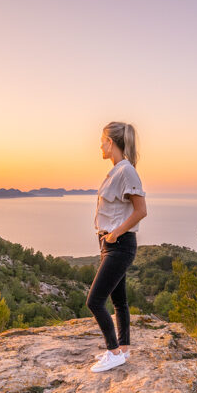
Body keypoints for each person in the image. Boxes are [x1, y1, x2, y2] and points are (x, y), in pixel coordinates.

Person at [88, 121, 147, 373]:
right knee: (119, 300)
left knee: (94, 301)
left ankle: (113, 353)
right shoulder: (116, 171)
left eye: (102, 141)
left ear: (110, 142)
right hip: (111, 244)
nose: (100, 146)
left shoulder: (126, 171)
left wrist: (114, 235)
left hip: (119, 245)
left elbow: (141, 210)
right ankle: (123, 349)